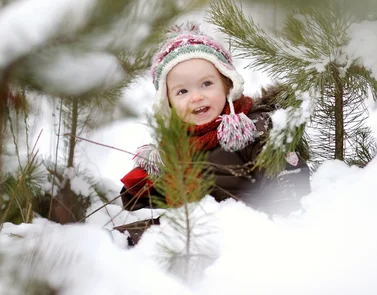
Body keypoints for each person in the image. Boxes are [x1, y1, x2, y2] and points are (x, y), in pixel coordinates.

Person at [119, 22, 310, 215]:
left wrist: (281, 214)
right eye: (182, 91)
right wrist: (142, 191)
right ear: (168, 102)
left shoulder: (253, 129)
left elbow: (287, 178)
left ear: (228, 85)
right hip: (193, 228)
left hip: (245, 223)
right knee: (131, 236)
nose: (196, 97)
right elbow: (162, 199)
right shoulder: (175, 147)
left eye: (206, 84)